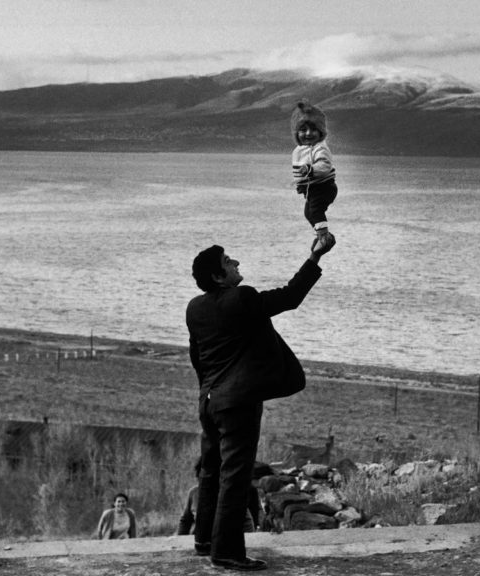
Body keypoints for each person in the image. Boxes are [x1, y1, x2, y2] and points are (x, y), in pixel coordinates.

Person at [186, 234, 335, 571]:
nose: (236, 263)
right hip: (236, 404)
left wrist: (206, 392)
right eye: (228, 261)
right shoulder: (241, 298)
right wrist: (315, 258)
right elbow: (291, 297)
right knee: (235, 477)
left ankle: (204, 539)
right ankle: (226, 552)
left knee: (211, 471)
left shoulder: (195, 308)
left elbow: (197, 356)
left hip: (208, 402)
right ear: (218, 277)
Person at [290, 101, 338, 247]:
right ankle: (321, 233)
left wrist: (311, 170)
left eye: (313, 129)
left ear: (321, 132)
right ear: (297, 133)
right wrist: (301, 185)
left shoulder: (320, 148)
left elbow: (324, 166)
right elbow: (300, 172)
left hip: (324, 187)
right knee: (308, 213)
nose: (308, 133)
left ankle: (324, 237)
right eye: (303, 130)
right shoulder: (300, 149)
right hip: (312, 189)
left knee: (316, 211)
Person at [176, 457, 263, 536]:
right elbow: (185, 521)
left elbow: (247, 522)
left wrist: (248, 542)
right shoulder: (194, 493)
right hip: (200, 543)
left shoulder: (231, 493)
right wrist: (180, 541)